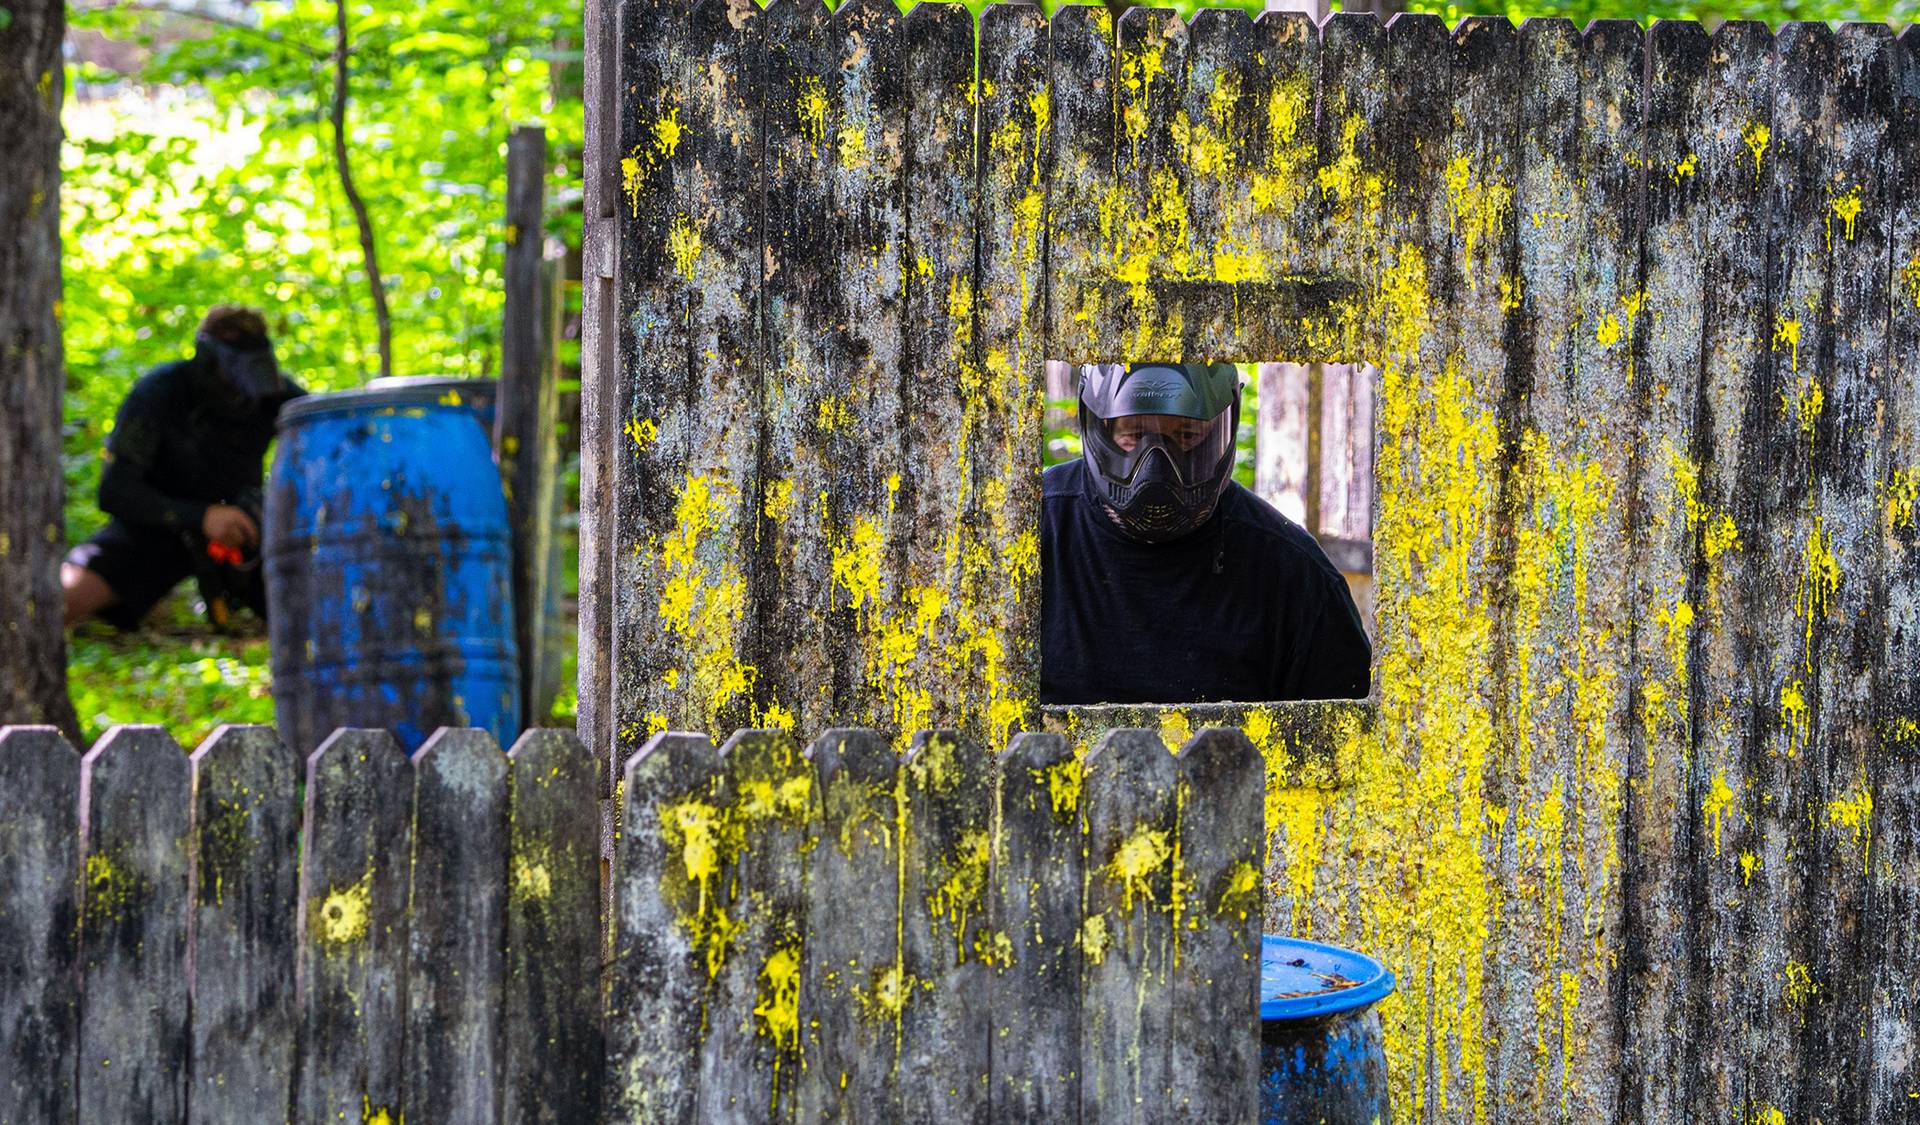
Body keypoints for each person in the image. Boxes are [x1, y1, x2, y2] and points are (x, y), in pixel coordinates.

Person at [1041, 361, 1371, 705]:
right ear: (1101, 429)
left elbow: (1350, 742)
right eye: (1134, 436)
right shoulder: (1035, 536)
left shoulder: (1294, 575)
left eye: (1187, 436)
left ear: (1218, 433)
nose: (1155, 467)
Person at [64, 306, 305, 630]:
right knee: (61, 599)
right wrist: (202, 516)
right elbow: (115, 492)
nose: (241, 393)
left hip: (242, 532)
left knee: (317, 611)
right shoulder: (160, 393)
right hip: (157, 529)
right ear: (208, 358)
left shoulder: (276, 395)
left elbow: (329, 443)